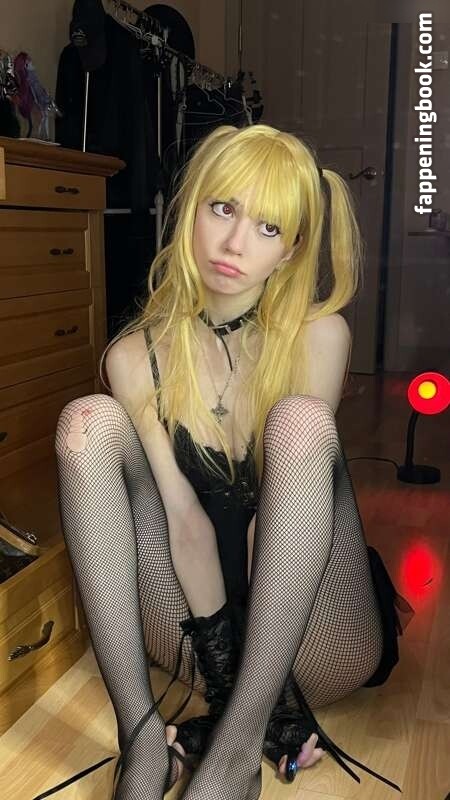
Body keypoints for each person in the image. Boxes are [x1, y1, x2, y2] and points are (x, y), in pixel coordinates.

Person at [33, 124, 412, 800]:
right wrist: (227, 681)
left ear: (291, 248)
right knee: (87, 422)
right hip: (197, 635)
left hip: (314, 634)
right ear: (191, 210)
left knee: (300, 424)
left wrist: (262, 714)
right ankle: (142, 743)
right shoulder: (135, 357)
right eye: (223, 209)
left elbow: (274, 518)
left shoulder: (318, 335)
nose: (236, 244)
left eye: (268, 228)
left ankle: (237, 749)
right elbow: (185, 522)